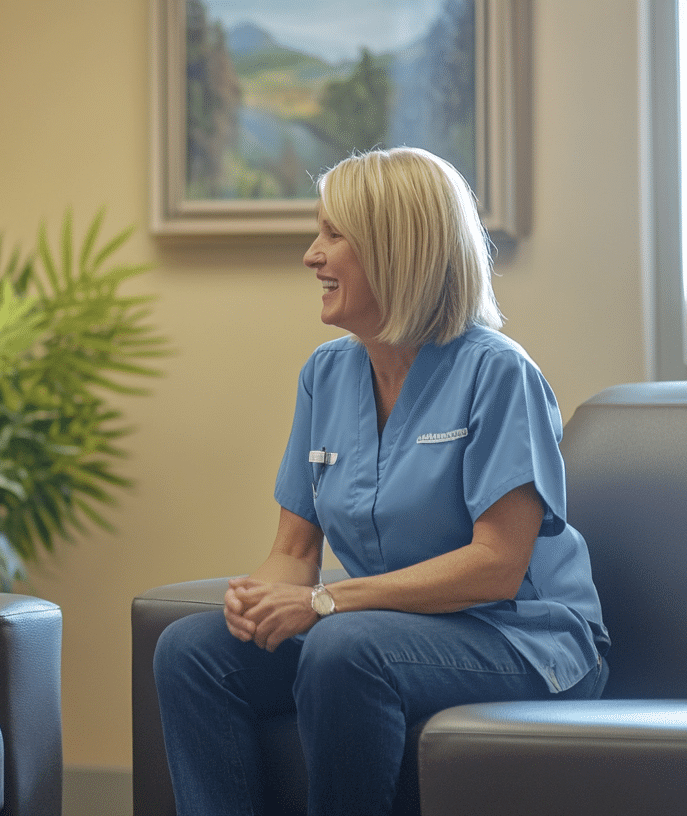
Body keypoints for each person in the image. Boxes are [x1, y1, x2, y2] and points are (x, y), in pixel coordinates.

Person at [152, 147, 609, 816]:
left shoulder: (498, 374)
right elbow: (295, 551)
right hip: (380, 630)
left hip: (521, 638)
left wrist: (326, 605)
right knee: (192, 651)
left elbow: (497, 568)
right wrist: (261, 601)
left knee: (345, 648)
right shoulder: (326, 374)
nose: (312, 255)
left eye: (334, 236)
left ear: (398, 252)